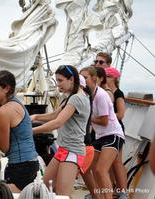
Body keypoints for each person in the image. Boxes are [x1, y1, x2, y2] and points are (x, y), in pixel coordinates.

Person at [0, 70, 39, 193]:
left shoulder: (3, 111)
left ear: (6, 88)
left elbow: (4, 148)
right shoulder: (10, 102)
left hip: (20, 166)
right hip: (30, 163)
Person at [31, 65, 90, 196]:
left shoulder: (77, 98)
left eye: (61, 80)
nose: (58, 85)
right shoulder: (69, 96)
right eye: (57, 80)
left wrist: (31, 131)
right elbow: (54, 115)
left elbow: (57, 122)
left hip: (73, 151)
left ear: (72, 80)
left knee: (63, 195)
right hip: (63, 149)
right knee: (45, 189)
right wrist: (35, 117)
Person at [80, 66, 126, 199]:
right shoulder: (88, 95)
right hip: (101, 136)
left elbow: (104, 121)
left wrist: (88, 117)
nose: (82, 80)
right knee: (87, 168)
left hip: (113, 135)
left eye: (85, 77)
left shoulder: (100, 95)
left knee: (101, 170)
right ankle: (98, 195)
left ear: (94, 79)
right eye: (80, 77)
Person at [105, 67, 128, 198]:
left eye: (108, 76)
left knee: (117, 162)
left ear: (114, 78)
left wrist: (105, 116)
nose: (105, 78)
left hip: (116, 129)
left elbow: (121, 114)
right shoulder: (105, 92)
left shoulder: (118, 93)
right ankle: (115, 190)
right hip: (107, 130)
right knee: (111, 163)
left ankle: (123, 192)